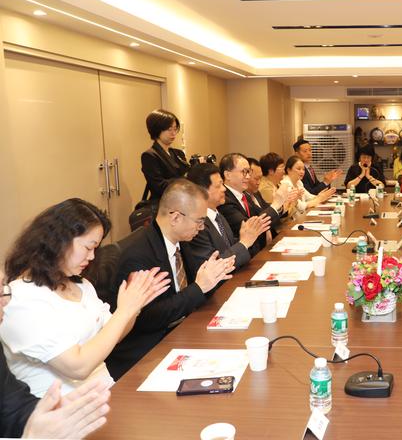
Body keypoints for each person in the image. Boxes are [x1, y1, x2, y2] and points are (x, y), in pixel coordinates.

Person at [0, 199, 170, 398]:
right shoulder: (20, 299)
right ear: (59, 241)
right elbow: (78, 367)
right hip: (63, 407)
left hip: (105, 392)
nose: (92, 257)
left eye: (95, 249)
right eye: (88, 247)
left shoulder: (81, 285)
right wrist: (125, 310)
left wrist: (135, 305)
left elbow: (113, 334)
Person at [105, 179, 236, 379]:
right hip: (149, 349)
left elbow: (192, 290)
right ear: (175, 218)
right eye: (199, 221)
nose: (202, 228)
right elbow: (147, 318)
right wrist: (199, 287)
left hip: (183, 330)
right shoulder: (139, 255)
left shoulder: (182, 241)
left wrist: (211, 277)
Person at [1, 281, 111, 439]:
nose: (5, 302)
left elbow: (14, 407)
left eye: (3, 289)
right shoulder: (22, 302)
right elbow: (78, 367)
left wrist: (55, 412)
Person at [183, 163, 271, 277]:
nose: (224, 189)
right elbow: (211, 269)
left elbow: (229, 247)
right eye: (218, 185)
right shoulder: (196, 226)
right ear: (201, 191)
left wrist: (245, 238)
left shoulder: (218, 215)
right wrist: (244, 242)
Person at [217, 153, 288, 255]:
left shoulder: (244, 195)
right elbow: (250, 227)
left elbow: (261, 214)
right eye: (244, 172)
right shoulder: (224, 200)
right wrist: (276, 204)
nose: (248, 177)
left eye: (249, 172)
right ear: (228, 175)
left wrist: (279, 206)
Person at [140, 109, 190, 201]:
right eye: (169, 129)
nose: (173, 133)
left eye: (175, 129)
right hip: (163, 203)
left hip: (182, 200)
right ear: (157, 129)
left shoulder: (178, 153)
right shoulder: (149, 156)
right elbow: (159, 186)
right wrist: (184, 179)